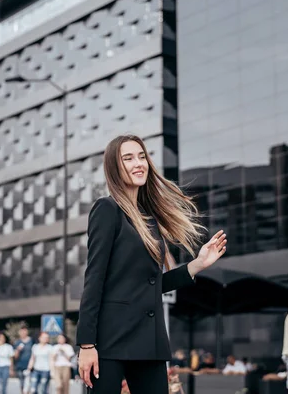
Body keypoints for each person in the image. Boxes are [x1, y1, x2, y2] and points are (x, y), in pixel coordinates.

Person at [76, 135, 227, 393]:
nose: (139, 163)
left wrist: (197, 265)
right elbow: (94, 278)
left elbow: (151, 284)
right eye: (128, 158)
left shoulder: (149, 220)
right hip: (111, 340)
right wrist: (87, 344)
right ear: (115, 167)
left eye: (142, 156)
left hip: (150, 340)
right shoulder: (107, 209)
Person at [14, 326, 34, 393]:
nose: (23, 333)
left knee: (29, 384)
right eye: (22, 331)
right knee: (22, 383)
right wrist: (18, 350)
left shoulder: (31, 341)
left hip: (30, 366)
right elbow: (15, 356)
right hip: (20, 366)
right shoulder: (17, 342)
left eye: (24, 331)